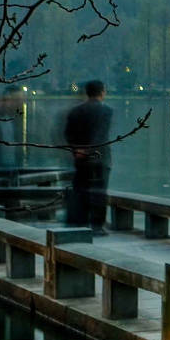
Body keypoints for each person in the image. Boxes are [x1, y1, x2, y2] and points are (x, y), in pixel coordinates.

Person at [62, 80, 115, 230]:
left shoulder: (75, 111)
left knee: (81, 189)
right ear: (102, 92)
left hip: (80, 158)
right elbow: (101, 135)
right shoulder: (107, 111)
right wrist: (90, 150)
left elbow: (68, 134)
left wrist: (77, 149)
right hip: (101, 158)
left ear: (87, 92)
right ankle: (97, 225)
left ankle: (80, 222)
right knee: (99, 192)